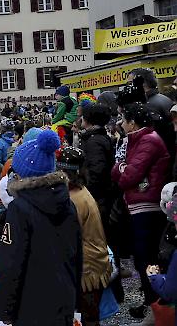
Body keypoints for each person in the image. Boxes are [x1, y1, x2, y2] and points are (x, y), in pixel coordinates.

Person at [0, 130, 82, 326]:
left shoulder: (20, 209)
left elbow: (11, 262)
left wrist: (5, 309)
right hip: (64, 295)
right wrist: (77, 298)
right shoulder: (68, 204)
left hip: (31, 299)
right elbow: (77, 253)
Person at [111, 103, 171, 319]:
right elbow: (118, 171)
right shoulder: (136, 140)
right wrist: (121, 168)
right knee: (142, 257)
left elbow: (127, 176)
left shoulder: (148, 140)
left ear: (133, 122)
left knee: (146, 258)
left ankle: (155, 307)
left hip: (147, 206)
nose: (121, 124)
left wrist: (121, 168)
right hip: (138, 203)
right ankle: (152, 305)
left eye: (124, 120)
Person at [58, 147, 112, 326]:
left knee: (87, 318)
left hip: (87, 268)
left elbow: (66, 236)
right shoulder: (81, 192)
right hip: (94, 261)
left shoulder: (74, 199)